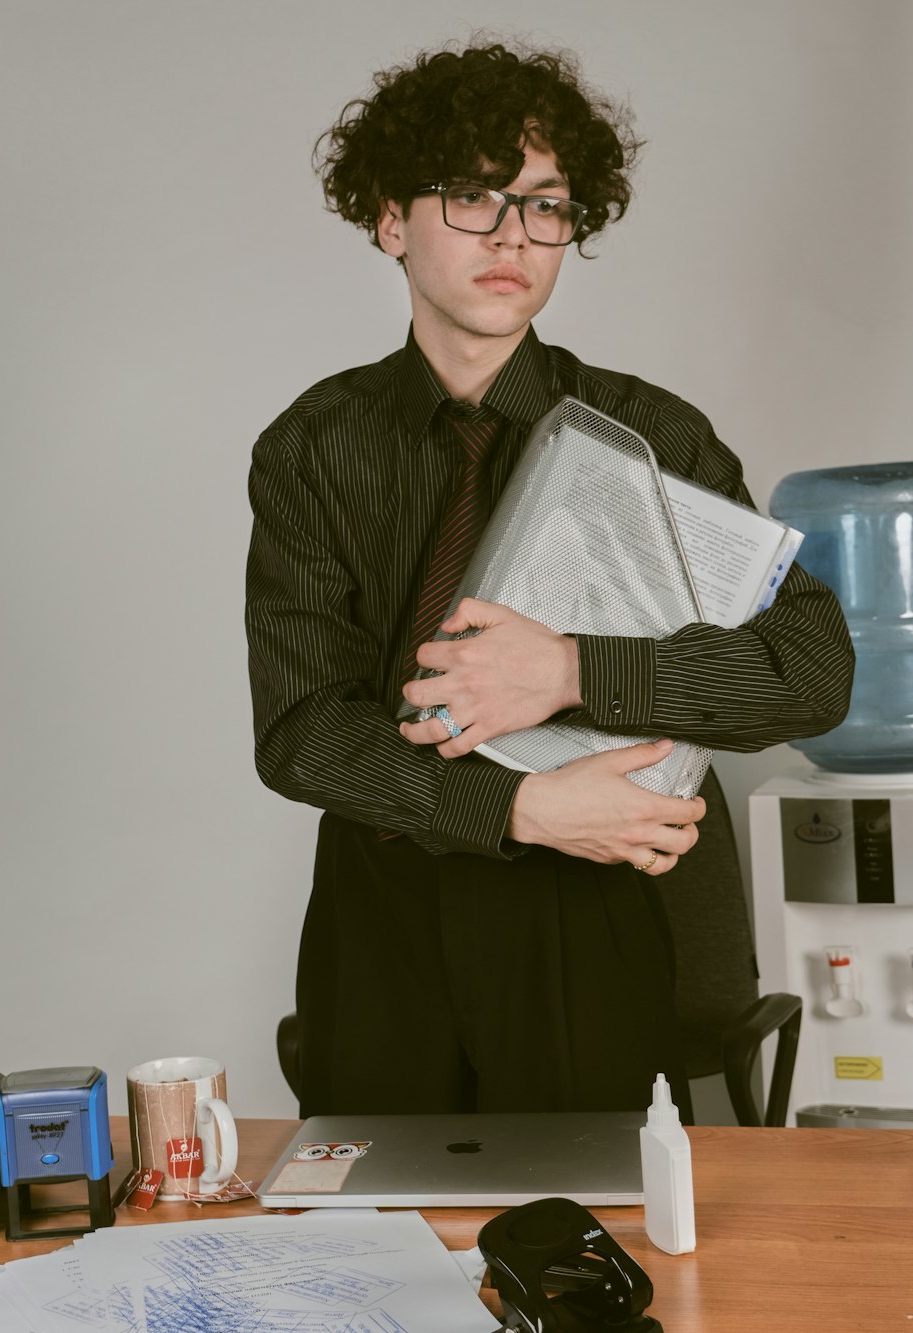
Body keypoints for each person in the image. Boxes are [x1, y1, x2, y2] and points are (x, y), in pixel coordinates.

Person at [245, 40, 853, 1117]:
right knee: (381, 1253)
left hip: (593, 910)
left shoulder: (652, 434)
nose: (512, 236)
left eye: (544, 206)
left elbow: (810, 674)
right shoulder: (312, 446)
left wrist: (573, 669)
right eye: (471, 198)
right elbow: (302, 731)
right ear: (391, 221)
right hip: (385, 901)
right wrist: (521, 806)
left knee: (594, 1240)